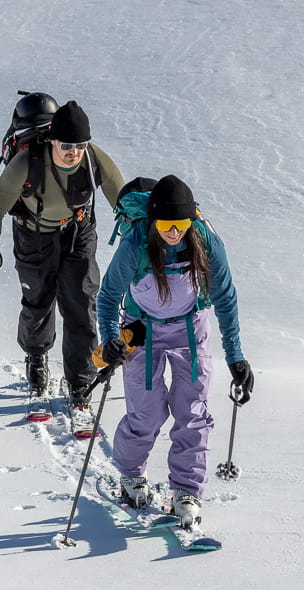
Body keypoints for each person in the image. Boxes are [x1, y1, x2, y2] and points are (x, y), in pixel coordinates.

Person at [94, 174, 254, 530]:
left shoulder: (204, 239)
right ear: (153, 222)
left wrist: (236, 356)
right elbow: (106, 297)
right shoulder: (136, 242)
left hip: (189, 330)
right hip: (142, 331)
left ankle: (186, 490)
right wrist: (110, 339)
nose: (174, 231)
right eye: (166, 224)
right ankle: (131, 476)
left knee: (192, 411)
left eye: (181, 223)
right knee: (146, 412)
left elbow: (226, 297)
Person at [0, 99, 125, 423]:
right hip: (34, 236)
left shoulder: (93, 159)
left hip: (77, 233)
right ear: (52, 140)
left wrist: (141, 233)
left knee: (81, 305)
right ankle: (36, 357)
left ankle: (81, 382)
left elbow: (123, 201)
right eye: (66, 144)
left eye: (80, 144)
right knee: (38, 304)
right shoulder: (25, 164)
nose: (73, 151)